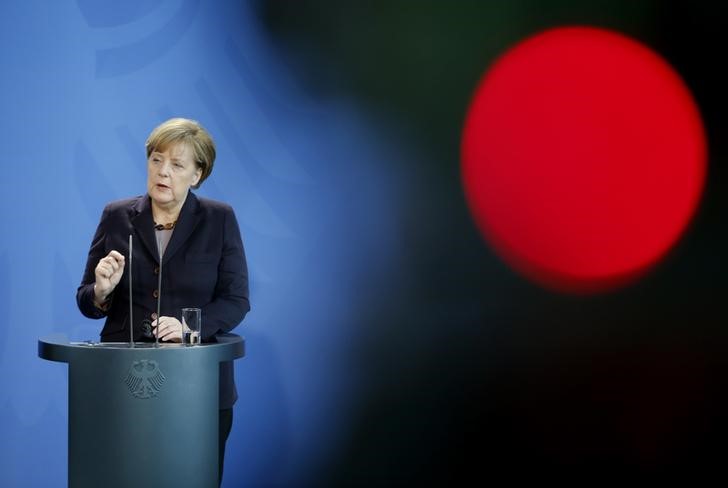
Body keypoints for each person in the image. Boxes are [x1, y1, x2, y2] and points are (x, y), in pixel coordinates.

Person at [76, 117, 250, 486]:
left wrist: (192, 326)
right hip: (122, 382)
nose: (164, 172)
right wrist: (102, 290)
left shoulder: (219, 219)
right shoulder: (116, 216)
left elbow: (236, 300)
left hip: (198, 387)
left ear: (197, 174)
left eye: (177, 164)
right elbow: (86, 299)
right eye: (156, 160)